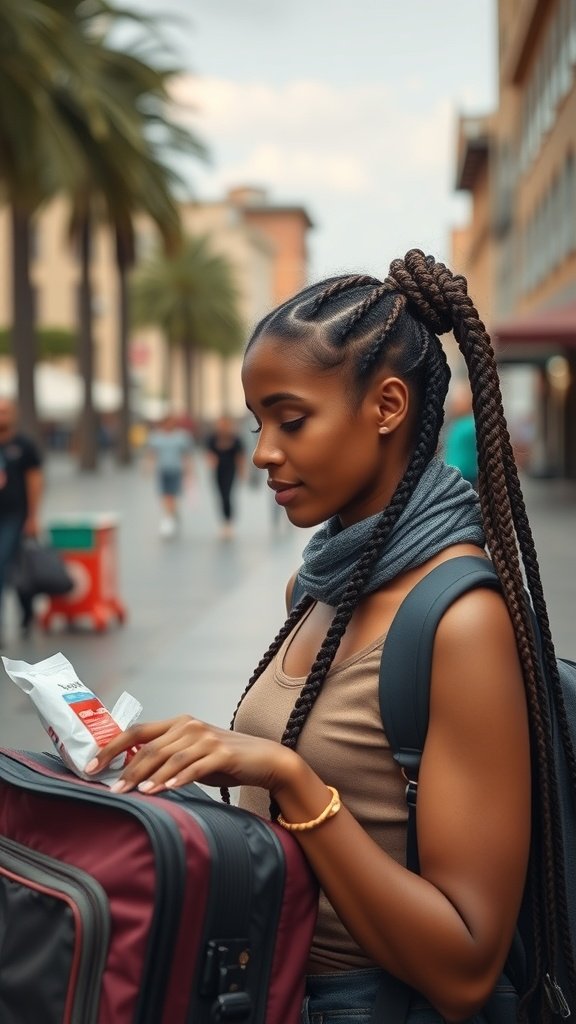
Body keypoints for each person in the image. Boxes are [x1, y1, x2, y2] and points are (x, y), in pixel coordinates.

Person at [88, 250, 572, 1023]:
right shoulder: (316, 588)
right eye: (257, 423)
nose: (261, 454)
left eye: (292, 419)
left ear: (386, 407)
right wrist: (195, 763)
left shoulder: (462, 621)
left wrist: (293, 781)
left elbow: (466, 968)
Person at [0, 398, 43, 643]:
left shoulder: (23, 445)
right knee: (11, 567)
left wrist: (33, 516)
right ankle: (25, 612)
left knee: (7, 565)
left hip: (15, 516)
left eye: (5, 412)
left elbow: (35, 480)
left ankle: (25, 612)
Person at [146, 413, 194, 538]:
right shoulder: (157, 437)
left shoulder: (181, 437)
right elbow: (152, 453)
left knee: (173, 495)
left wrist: (189, 469)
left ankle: (171, 517)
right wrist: (148, 467)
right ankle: (169, 517)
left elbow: (186, 454)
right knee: (165, 495)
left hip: (176, 470)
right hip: (163, 470)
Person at [205, 415, 246, 539]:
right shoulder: (212, 438)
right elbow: (209, 453)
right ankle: (224, 521)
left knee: (228, 494)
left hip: (230, 469)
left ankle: (228, 522)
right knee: (220, 495)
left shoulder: (235, 438)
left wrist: (242, 471)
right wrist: (210, 461)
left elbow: (240, 456)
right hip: (218, 470)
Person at [443, 381, 478, 488]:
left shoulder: (471, 424)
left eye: (459, 401)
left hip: (466, 476)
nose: (454, 404)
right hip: (452, 475)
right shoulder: (456, 423)